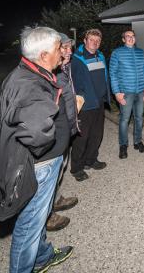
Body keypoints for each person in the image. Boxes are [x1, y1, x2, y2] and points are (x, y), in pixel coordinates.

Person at [0, 27, 73, 273]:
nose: (63, 53)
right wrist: (53, 128)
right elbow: (36, 132)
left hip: (45, 162)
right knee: (29, 225)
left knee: (40, 215)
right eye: (59, 48)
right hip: (40, 165)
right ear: (45, 53)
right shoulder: (29, 84)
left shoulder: (30, 73)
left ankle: (42, 256)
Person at [46, 33, 82, 232]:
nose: (68, 51)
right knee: (51, 170)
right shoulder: (51, 73)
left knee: (60, 167)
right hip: (55, 130)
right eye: (64, 48)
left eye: (70, 48)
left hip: (67, 124)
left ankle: (55, 198)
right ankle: (47, 215)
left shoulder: (65, 68)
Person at [70, 29, 110, 181]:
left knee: (97, 134)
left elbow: (104, 77)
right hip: (85, 104)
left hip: (99, 102)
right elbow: (71, 82)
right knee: (81, 138)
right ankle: (76, 168)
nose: (95, 43)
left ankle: (91, 160)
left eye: (97, 40)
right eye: (92, 40)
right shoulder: (76, 59)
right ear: (85, 41)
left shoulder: (100, 56)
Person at [110, 29, 144, 159]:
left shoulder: (140, 52)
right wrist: (117, 93)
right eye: (127, 36)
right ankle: (123, 146)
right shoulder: (117, 53)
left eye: (132, 36)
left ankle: (138, 142)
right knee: (124, 120)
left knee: (139, 118)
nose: (130, 38)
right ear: (123, 39)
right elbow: (113, 74)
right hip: (126, 92)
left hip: (140, 92)